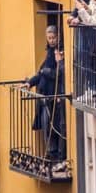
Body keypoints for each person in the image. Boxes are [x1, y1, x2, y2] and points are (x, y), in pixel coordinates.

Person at [26, 26, 68, 177]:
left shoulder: (60, 52)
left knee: (55, 125)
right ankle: (51, 154)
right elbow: (41, 73)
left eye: (53, 38)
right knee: (46, 125)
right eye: (49, 38)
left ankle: (56, 155)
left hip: (54, 97)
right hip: (45, 97)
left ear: (58, 36)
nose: (51, 41)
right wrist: (29, 82)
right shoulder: (50, 53)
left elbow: (60, 73)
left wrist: (46, 72)